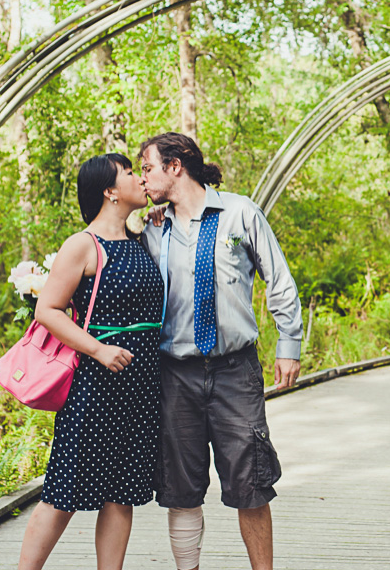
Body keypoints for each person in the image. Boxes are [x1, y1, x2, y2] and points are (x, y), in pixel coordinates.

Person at [138, 132, 303, 570]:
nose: (143, 179)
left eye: (148, 168)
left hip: (235, 371)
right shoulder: (154, 227)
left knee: (251, 483)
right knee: (181, 487)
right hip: (174, 373)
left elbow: (279, 279)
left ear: (176, 167)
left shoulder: (240, 213)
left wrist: (289, 343)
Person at [17, 153, 186, 570]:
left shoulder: (140, 240)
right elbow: (48, 310)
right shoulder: (83, 245)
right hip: (94, 387)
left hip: (141, 385)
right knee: (63, 494)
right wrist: (97, 349)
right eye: (130, 173)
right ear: (110, 191)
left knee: (122, 494)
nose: (139, 179)